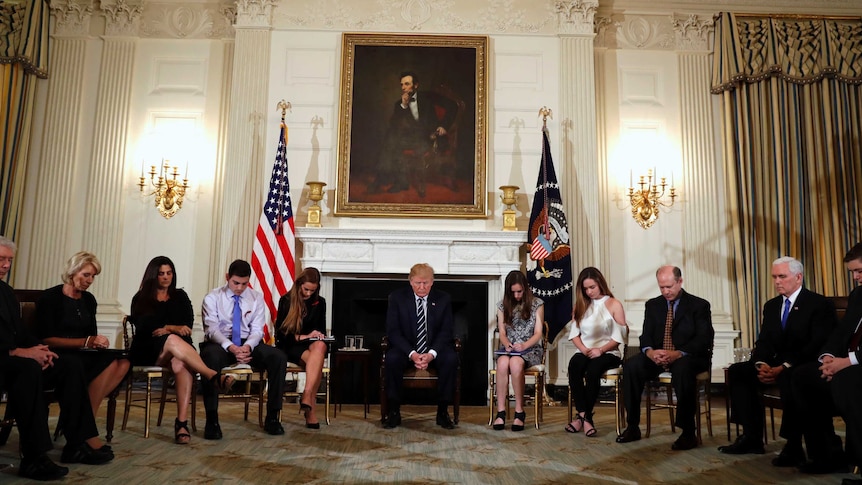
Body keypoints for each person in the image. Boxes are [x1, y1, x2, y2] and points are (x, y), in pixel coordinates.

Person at [0, 237, 112, 480]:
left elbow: (21, 332)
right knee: (28, 369)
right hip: (5, 359)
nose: (6, 265)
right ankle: (34, 457)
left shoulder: (6, 292)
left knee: (69, 365)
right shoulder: (51, 297)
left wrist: (41, 349)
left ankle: (77, 444)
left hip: (14, 357)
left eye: (9, 260)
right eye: (1, 259)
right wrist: (18, 352)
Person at [718, 257, 837, 468]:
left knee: (791, 378)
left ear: (798, 277)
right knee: (738, 371)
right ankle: (751, 437)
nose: (777, 282)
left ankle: (793, 445)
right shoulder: (772, 306)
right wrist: (760, 364)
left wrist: (783, 367)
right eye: (774, 277)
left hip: (803, 364)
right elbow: (764, 341)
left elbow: (816, 344)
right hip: (774, 363)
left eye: (782, 276)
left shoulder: (819, 304)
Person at [129, 256, 233, 444]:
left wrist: (168, 328)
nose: (166, 277)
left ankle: (181, 423)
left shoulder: (180, 296)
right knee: (171, 339)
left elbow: (188, 324)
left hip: (177, 349)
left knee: (179, 364)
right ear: (154, 276)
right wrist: (172, 328)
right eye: (161, 274)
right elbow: (145, 325)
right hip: (148, 350)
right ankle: (212, 375)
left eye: (169, 273)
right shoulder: (141, 298)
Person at [616, 265, 713, 451]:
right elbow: (646, 336)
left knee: (683, 370)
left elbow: (703, 339)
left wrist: (677, 353)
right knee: (631, 367)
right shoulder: (653, 305)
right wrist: (650, 352)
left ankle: (687, 432)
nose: (666, 291)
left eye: (669, 286)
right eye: (662, 287)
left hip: (687, 356)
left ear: (680, 281)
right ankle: (633, 426)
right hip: (658, 356)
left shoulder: (699, 305)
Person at [790, 244, 862, 477]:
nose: (856, 277)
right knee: (803, 376)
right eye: (852, 272)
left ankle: (858, 460)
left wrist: (846, 362)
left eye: (860, 270)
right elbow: (842, 333)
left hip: (857, 365)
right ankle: (826, 454)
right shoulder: (858, 294)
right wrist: (829, 357)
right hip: (848, 363)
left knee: (846, 379)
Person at [35, 251, 130, 422]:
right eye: (86, 275)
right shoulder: (51, 297)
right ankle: (84, 422)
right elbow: (46, 338)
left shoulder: (89, 300)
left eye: (93, 276)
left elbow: (91, 334)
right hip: (56, 356)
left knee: (123, 361)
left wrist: (99, 341)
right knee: (76, 364)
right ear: (72, 272)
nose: (90, 281)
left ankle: (86, 417)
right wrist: (87, 341)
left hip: (82, 353)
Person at [200, 259, 288, 439]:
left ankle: (273, 417)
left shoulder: (256, 297)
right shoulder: (212, 297)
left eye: (244, 283)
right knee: (210, 358)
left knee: (278, 357)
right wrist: (232, 347)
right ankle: (212, 421)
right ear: (227, 278)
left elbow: (257, 330)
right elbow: (212, 330)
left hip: (249, 344)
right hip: (221, 344)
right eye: (236, 283)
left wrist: (247, 346)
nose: (240, 288)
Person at [383, 263, 458, 429]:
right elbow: (393, 331)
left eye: (426, 283)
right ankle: (394, 411)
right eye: (418, 283)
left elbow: (446, 331)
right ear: (410, 281)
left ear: (432, 282)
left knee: (450, 359)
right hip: (407, 349)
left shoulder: (443, 299)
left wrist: (431, 354)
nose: (422, 287)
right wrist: (412, 354)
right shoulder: (397, 298)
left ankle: (443, 411)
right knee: (392, 359)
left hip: (433, 348)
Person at [369, 71, 457, 197]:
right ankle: (400, 182)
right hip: (414, 138)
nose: (404, 87)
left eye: (407, 84)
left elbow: (453, 106)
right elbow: (393, 125)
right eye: (402, 85)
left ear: (416, 85)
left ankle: (380, 179)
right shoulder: (400, 104)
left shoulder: (428, 96)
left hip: (432, 137)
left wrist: (443, 125)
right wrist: (404, 106)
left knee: (393, 140)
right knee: (392, 137)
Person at [565, 267, 626, 437]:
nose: (589, 292)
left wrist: (601, 350)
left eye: (592, 287)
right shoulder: (580, 305)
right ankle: (585, 417)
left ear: (600, 283)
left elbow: (621, 335)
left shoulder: (614, 304)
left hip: (608, 352)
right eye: (585, 289)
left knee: (593, 371)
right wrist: (584, 349)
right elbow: (574, 334)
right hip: (586, 350)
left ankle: (582, 418)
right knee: (574, 365)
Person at [491, 270, 544, 432]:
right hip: (511, 348)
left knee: (515, 364)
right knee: (502, 363)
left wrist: (524, 345)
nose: (516, 295)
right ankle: (500, 412)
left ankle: (519, 412)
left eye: (519, 291)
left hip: (530, 348)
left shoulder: (537, 304)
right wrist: (507, 344)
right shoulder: (502, 306)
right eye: (513, 292)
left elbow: (538, 333)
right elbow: (502, 332)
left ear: (525, 289)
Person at [274, 267, 327, 429]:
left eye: (313, 290)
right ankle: (310, 408)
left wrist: (317, 335)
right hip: (291, 345)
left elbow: (321, 330)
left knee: (320, 345)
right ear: (299, 284)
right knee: (316, 361)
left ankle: (307, 393)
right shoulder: (286, 300)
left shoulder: (320, 302)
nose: (309, 294)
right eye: (306, 289)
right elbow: (281, 335)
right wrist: (303, 336)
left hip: (311, 345)